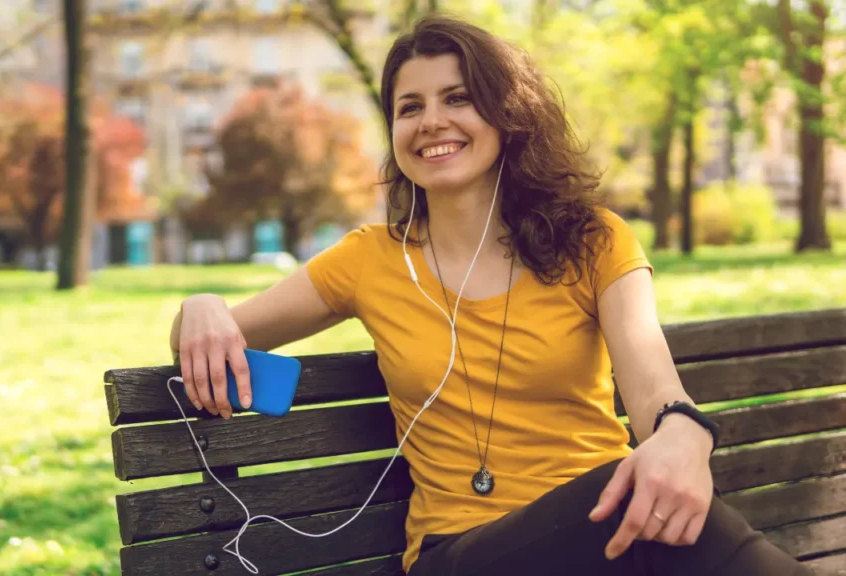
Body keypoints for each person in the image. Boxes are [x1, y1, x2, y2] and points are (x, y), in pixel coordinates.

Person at [169, 14, 811, 576]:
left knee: (652, 510)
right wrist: (201, 306)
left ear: (508, 115)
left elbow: (651, 388)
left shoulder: (593, 240)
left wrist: (682, 436)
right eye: (409, 106)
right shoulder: (369, 260)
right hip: (463, 554)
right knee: (650, 518)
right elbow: (210, 337)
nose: (432, 121)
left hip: (610, 529)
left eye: (458, 97)